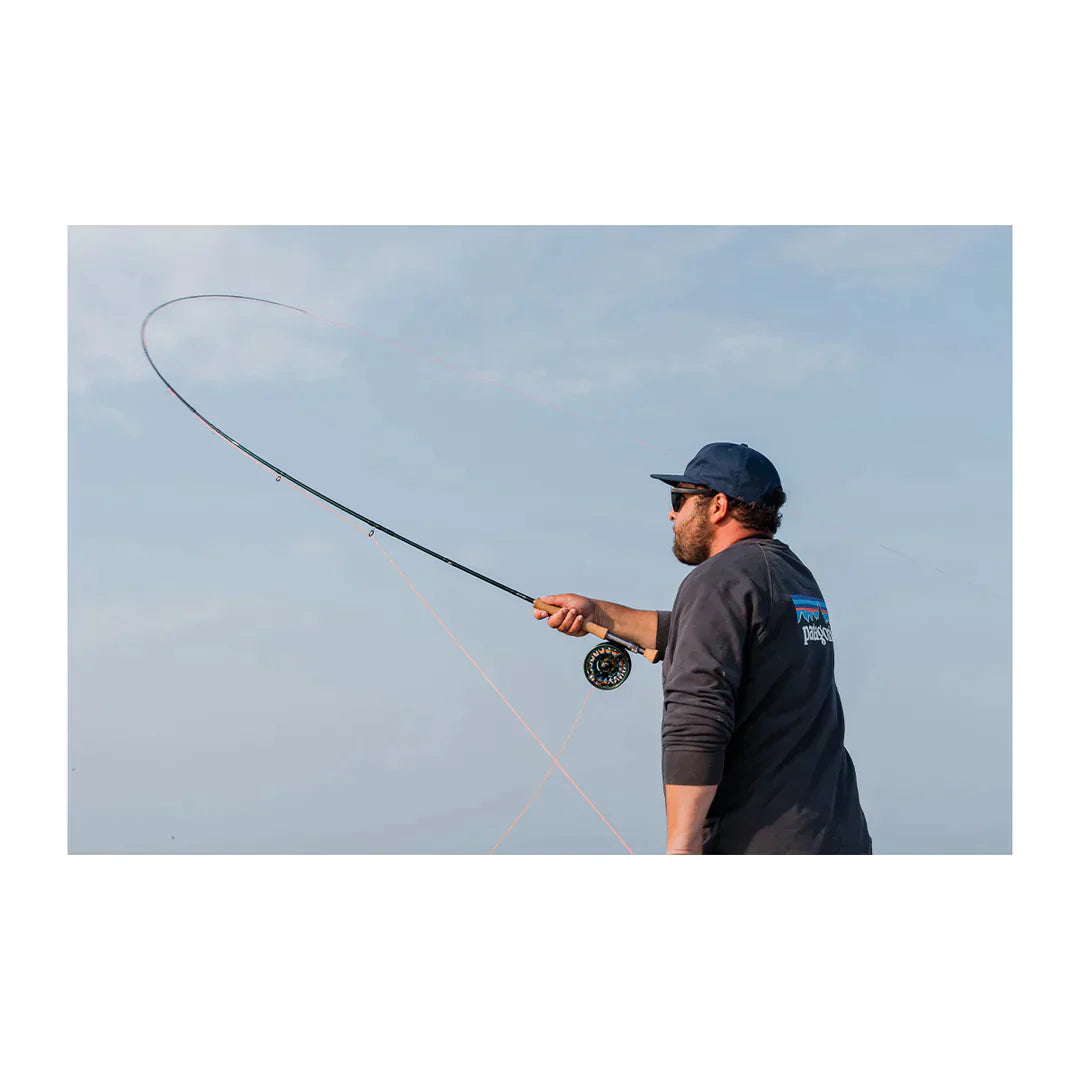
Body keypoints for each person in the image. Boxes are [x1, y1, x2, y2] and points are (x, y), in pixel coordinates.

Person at [534, 441, 872, 855]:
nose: (672, 514)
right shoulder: (789, 575)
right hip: (836, 837)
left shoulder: (718, 580)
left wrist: (682, 847)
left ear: (718, 506)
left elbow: (697, 718)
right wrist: (599, 613)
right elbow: (711, 636)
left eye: (680, 499)